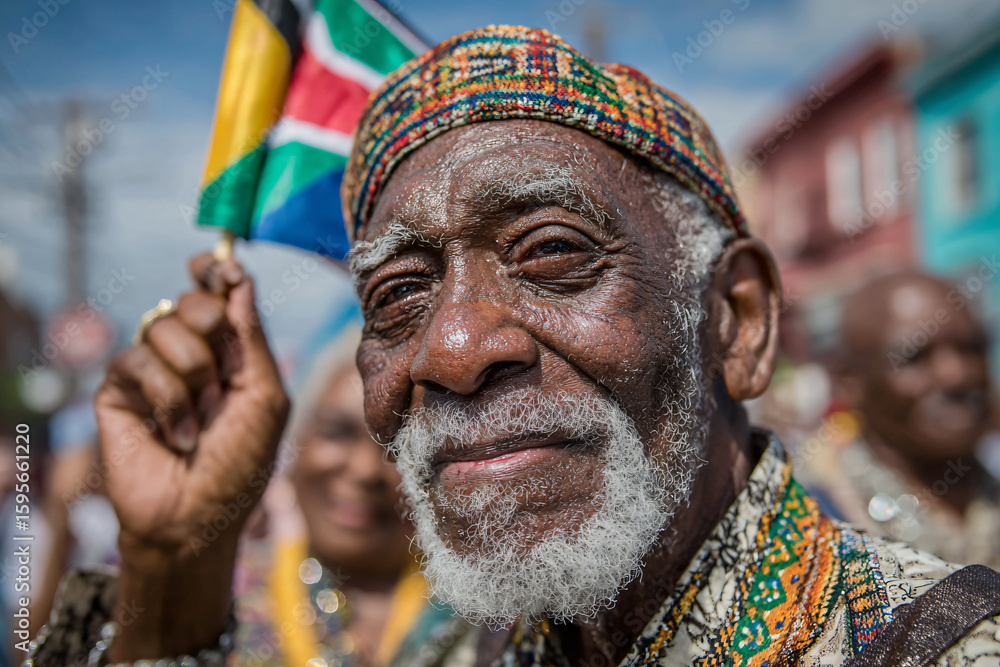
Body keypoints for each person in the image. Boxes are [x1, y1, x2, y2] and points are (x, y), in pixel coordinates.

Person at [28, 26, 1000, 667]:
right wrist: (176, 562)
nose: (451, 348)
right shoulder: (470, 646)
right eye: (397, 294)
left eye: (551, 253)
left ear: (733, 320)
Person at [229, 320, 469, 666]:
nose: (364, 470)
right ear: (296, 440)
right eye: (337, 433)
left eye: (399, 449)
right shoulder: (215, 598)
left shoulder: (487, 614)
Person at [796, 271, 1000, 569]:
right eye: (915, 357)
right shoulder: (816, 528)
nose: (956, 374)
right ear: (849, 382)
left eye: (971, 348)